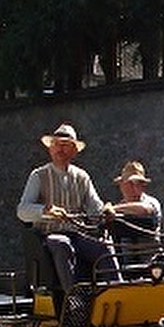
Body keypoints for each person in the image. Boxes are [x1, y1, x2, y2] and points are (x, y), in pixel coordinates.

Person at [15, 124, 114, 289]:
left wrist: (106, 211)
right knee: (62, 244)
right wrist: (45, 210)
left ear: (74, 151)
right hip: (49, 235)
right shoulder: (38, 175)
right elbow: (22, 211)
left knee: (105, 248)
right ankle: (72, 297)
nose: (60, 149)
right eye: (56, 144)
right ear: (50, 149)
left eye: (65, 145)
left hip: (77, 234)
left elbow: (95, 210)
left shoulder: (82, 177)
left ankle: (116, 290)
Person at [107, 160, 162, 268]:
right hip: (125, 264)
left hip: (151, 263)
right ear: (121, 185)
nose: (133, 188)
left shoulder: (151, 202)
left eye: (138, 184)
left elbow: (145, 210)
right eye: (129, 183)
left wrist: (113, 208)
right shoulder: (119, 208)